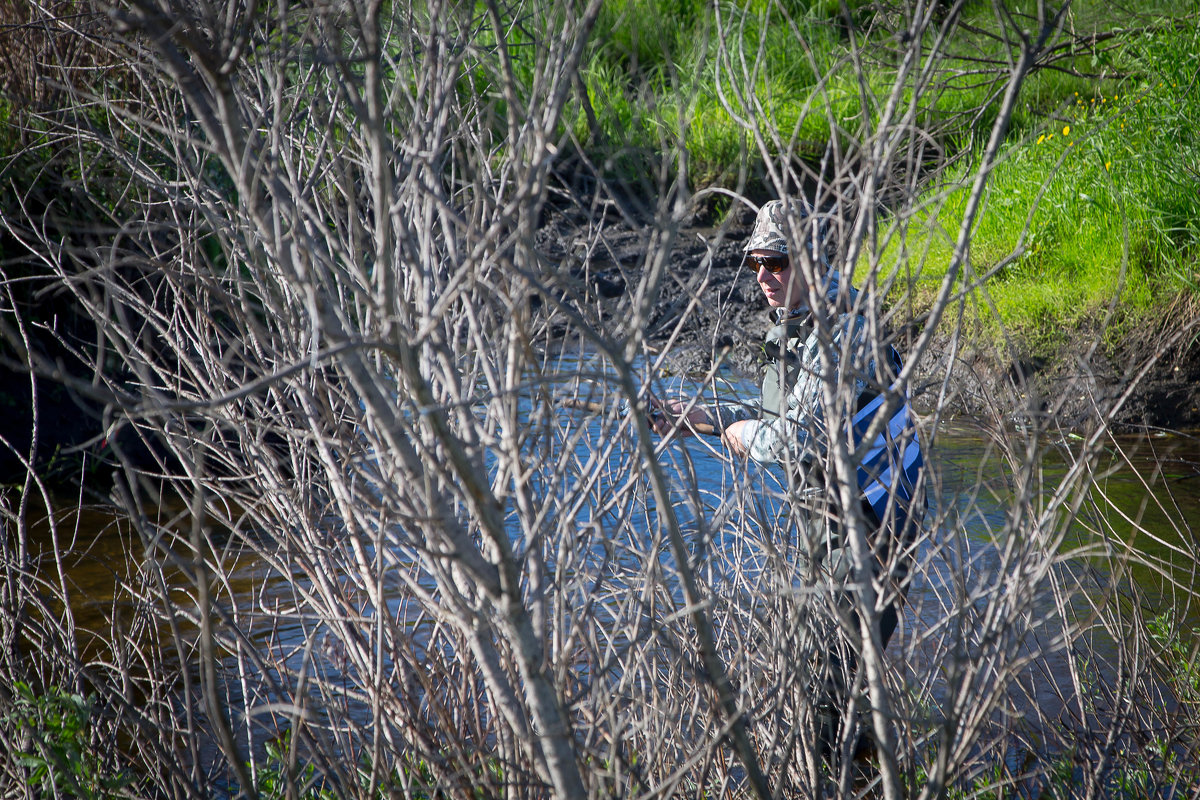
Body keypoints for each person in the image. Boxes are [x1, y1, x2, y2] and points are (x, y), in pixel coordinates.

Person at [650, 197, 924, 756]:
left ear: (811, 259)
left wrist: (744, 436)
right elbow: (783, 417)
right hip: (835, 519)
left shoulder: (839, 334)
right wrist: (699, 418)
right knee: (842, 687)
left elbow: (787, 439)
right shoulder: (802, 325)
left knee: (828, 688)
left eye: (777, 263)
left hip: (872, 527)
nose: (764, 277)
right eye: (756, 263)